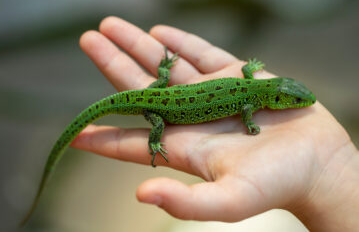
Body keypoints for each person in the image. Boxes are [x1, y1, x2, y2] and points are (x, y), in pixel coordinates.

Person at [71, 16, 359, 231]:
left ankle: (163, 72)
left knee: (160, 86)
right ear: (278, 94)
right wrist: (252, 128)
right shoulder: (253, 101)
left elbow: (247, 69)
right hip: (155, 108)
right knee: (157, 127)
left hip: (156, 93)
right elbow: (247, 114)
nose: (302, 104)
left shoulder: (254, 85)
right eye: (295, 100)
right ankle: (155, 140)